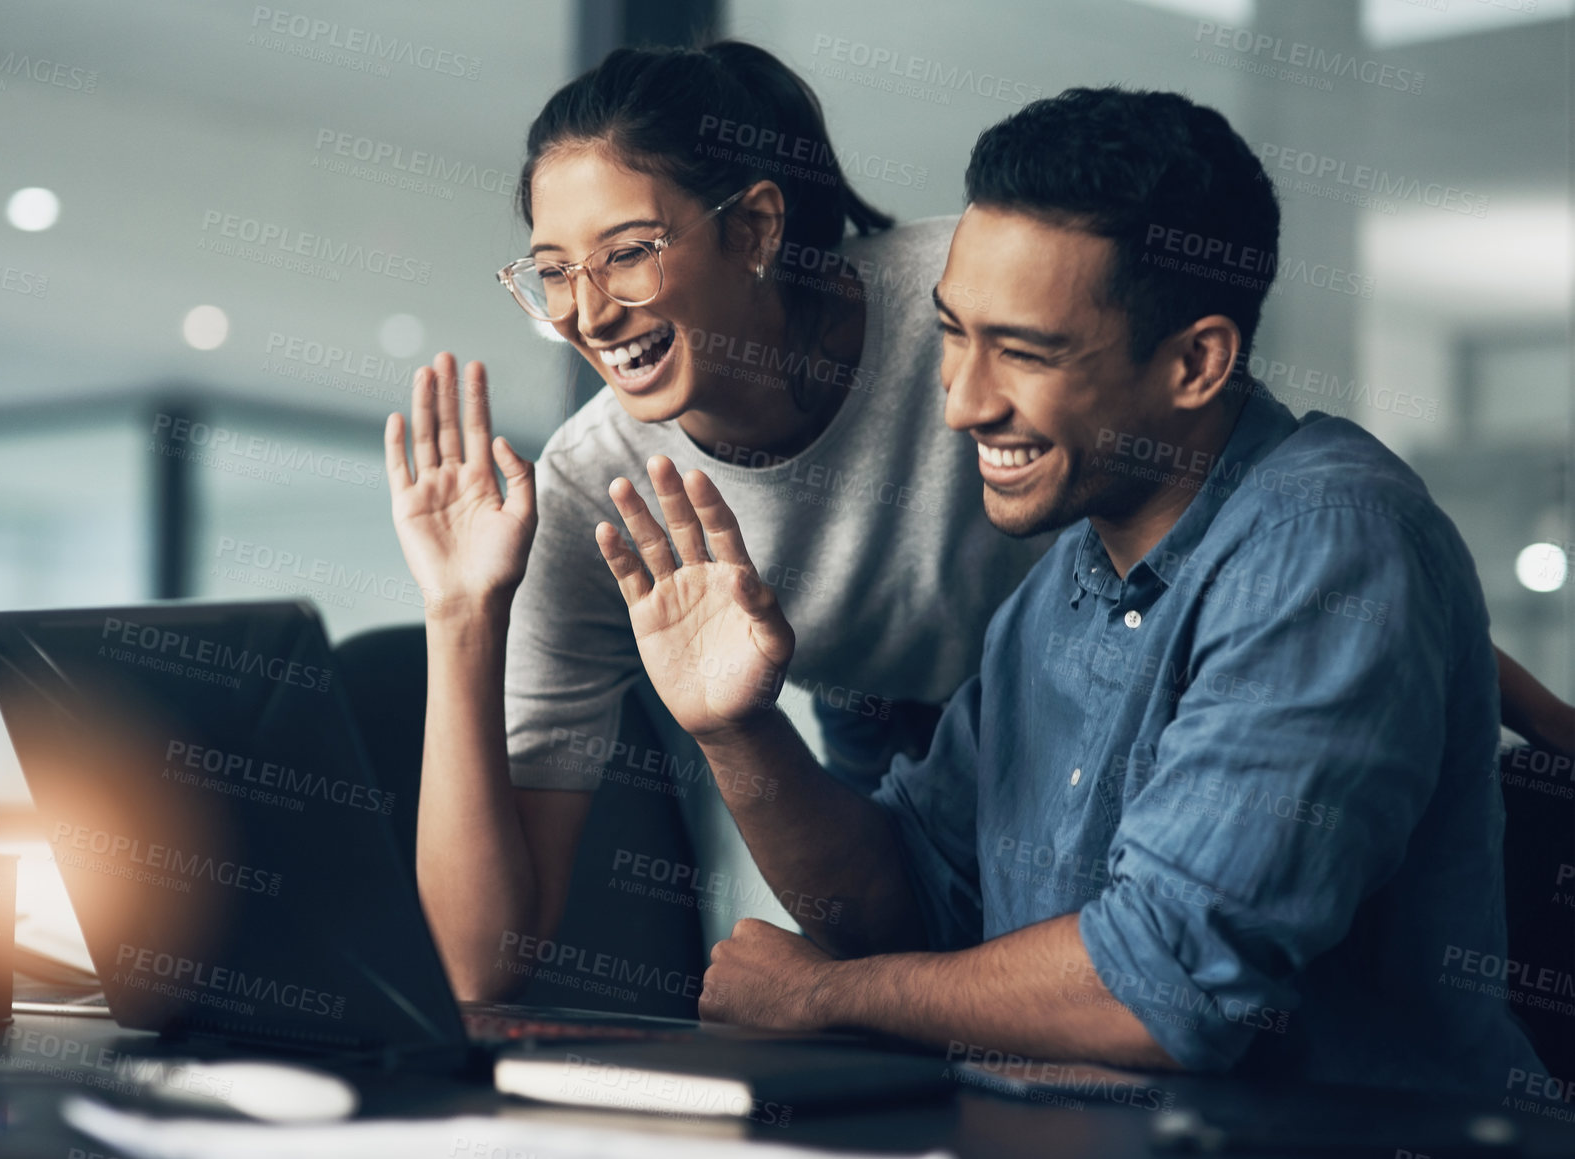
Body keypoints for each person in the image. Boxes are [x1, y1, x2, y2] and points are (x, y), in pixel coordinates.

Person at [588, 87, 1547, 1094]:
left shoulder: (1332, 541)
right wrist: (738, 730)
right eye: (954, 333)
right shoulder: (1066, 587)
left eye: (1024, 352)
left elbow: (1165, 988)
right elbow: (907, 901)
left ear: (1195, 362)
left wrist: (826, 995)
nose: (961, 401)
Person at [382, 41, 1043, 1000]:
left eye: (629, 254)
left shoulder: (963, 297)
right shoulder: (589, 492)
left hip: (1087, 692)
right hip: (874, 736)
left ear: (755, 229)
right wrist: (459, 609)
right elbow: (479, 964)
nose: (590, 313)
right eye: (554, 272)